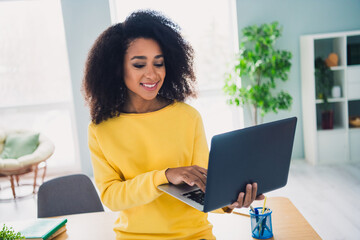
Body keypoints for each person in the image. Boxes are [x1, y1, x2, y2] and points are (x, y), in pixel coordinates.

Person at [82, 10, 264, 240]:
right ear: (117, 69)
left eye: (159, 63)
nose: (152, 74)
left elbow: (204, 187)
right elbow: (111, 196)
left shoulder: (188, 118)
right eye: (139, 65)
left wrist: (229, 200)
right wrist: (165, 176)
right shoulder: (101, 129)